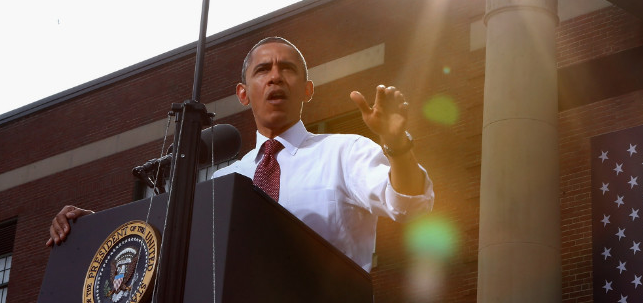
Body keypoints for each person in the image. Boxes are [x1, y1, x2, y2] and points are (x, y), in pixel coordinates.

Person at [47, 37, 434, 271]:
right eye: (263, 69)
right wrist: (94, 230)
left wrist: (397, 145)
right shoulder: (223, 182)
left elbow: (409, 203)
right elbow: (166, 248)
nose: (276, 77)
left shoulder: (344, 152)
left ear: (308, 90)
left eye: (288, 69)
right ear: (243, 93)